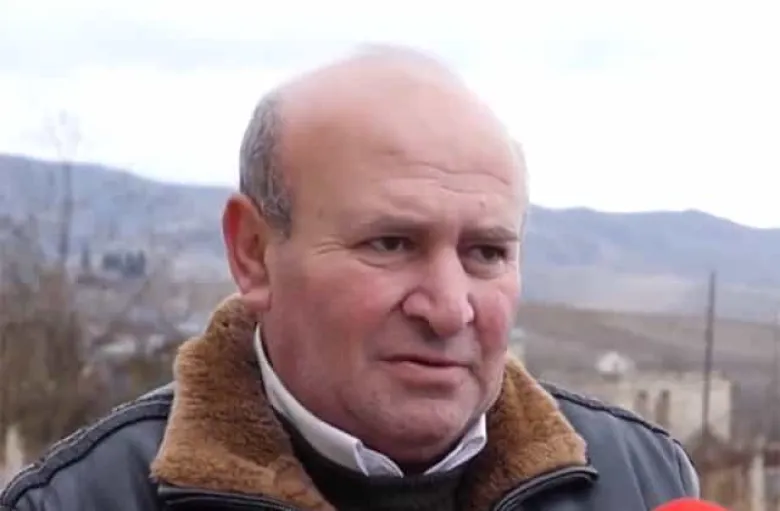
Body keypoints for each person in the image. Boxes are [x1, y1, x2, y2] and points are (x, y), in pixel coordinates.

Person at [0, 45, 699, 511]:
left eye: (486, 252)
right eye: (391, 243)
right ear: (253, 253)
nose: (448, 308)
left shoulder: (643, 480)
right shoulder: (81, 501)